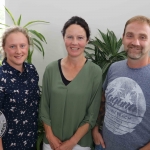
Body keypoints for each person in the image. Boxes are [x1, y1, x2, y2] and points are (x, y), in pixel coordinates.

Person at [40, 16, 102, 150]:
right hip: (51, 143)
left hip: (80, 144)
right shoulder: (51, 69)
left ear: (87, 40)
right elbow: (44, 106)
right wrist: (50, 136)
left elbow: (92, 114)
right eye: (70, 37)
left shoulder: (95, 72)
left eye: (80, 38)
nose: (74, 42)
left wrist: (71, 142)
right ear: (63, 38)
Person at [92, 15, 150, 150]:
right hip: (103, 146)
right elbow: (103, 100)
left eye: (143, 37)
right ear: (123, 38)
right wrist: (95, 129)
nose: (135, 42)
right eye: (130, 35)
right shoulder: (114, 68)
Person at [0, 26, 40, 150]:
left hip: (30, 141)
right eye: (12, 46)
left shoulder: (32, 70)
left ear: (28, 46)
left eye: (22, 45)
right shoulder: (1, 77)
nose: (18, 51)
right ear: (4, 48)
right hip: (8, 144)